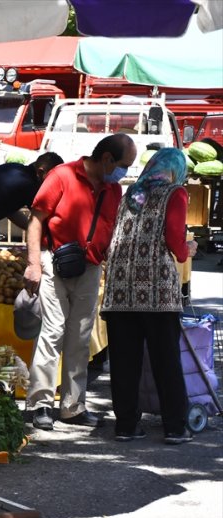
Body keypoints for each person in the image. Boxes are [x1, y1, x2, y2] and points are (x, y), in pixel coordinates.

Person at [23, 132, 137, 430]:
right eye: (125, 164)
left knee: (81, 337)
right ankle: (40, 403)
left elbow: (110, 230)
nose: (125, 172)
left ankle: (73, 406)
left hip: (89, 268)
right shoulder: (62, 176)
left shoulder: (113, 191)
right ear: (107, 158)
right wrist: (33, 263)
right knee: (52, 332)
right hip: (54, 261)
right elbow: (36, 220)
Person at [101, 148, 198, 445]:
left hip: (119, 290)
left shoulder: (131, 193)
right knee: (165, 359)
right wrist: (187, 250)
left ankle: (127, 425)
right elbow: (173, 237)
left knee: (123, 360)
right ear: (175, 170)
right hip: (155, 292)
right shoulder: (175, 193)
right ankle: (175, 427)